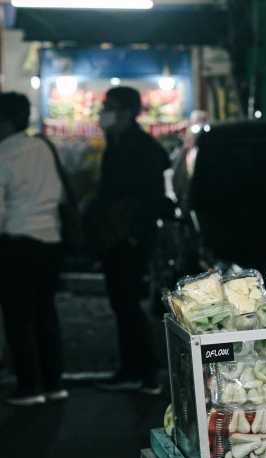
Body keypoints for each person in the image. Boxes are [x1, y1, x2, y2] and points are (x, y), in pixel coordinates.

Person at [88, 86, 170, 394]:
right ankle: (132, 369)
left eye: (109, 107)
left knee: (129, 302)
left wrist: (135, 232)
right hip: (117, 236)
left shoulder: (141, 147)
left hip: (132, 237)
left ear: (127, 112)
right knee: (122, 303)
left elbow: (151, 197)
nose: (103, 113)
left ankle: (145, 372)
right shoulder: (119, 143)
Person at [0, 92, 66, 406]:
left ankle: (29, 386)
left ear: (6, 121)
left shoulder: (3, 154)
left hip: (17, 243)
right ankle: (54, 383)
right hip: (50, 241)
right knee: (45, 313)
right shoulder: (42, 147)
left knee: (17, 316)